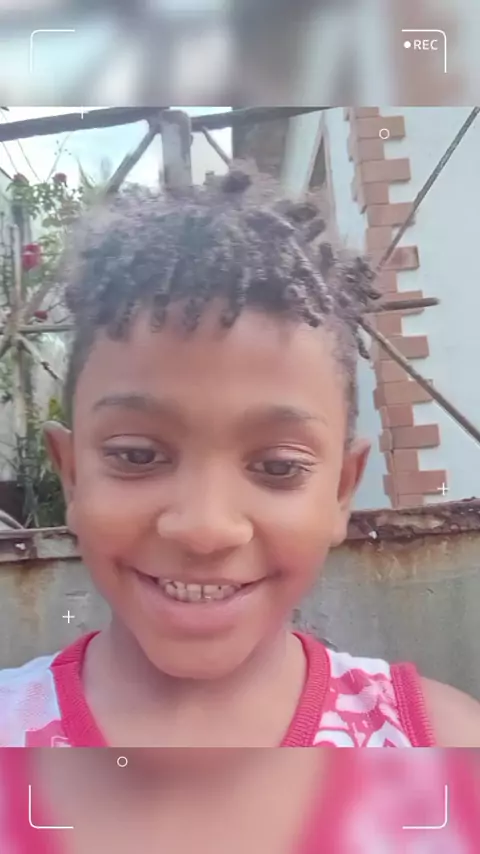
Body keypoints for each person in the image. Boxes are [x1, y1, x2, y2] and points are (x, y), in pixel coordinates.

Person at [1, 165, 480, 749]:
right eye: (137, 455)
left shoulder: (443, 749)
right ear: (71, 475)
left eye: (278, 467)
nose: (205, 530)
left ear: (341, 491)